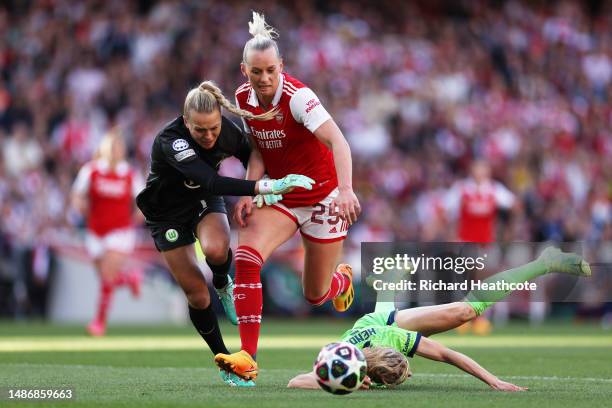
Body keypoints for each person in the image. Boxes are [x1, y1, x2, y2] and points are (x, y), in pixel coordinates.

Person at [135, 80, 314, 386]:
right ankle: (224, 359)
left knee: (217, 250)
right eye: (200, 130)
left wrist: (260, 182)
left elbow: (251, 154)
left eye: (213, 129)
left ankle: (222, 282)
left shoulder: (227, 131)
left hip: (201, 199)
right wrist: (263, 186)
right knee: (196, 293)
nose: (208, 136)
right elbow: (213, 181)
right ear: (185, 121)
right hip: (166, 214)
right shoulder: (171, 141)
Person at [214, 12, 361, 383]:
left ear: (281, 67)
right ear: (244, 70)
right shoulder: (243, 98)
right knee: (246, 258)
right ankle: (247, 358)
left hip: (323, 197)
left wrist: (345, 190)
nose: (263, 80)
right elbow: (261, 148)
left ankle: (340, 281)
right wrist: (251, 188)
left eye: (270, 71)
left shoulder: (300, 98)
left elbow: (338, 141)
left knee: (315, 295)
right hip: (281, 196)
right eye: (256, 72)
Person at [287, 247, 591, 391]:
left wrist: (494, 381)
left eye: (404, 369)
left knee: (465, 312)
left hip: (385, 326)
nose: (411, 374)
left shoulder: (395, 339)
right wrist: (341, 383)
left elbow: (447, 354)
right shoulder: (345, 365)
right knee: (378, 317)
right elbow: (295, 381)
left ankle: (543, 262)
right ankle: (389, 281)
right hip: (371, 326)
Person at [72, 130, 145, 337]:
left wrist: (136, 217)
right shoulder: (91, 170)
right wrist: (79, 205)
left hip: (120, 231)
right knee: (105, 277)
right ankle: (131, 279)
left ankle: (99, 322)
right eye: (111, 147)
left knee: (106, 275)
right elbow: (77, 194)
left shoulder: (130, 173)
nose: (115, 151)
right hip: (95, 230)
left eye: (118, 147)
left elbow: (142, 201)